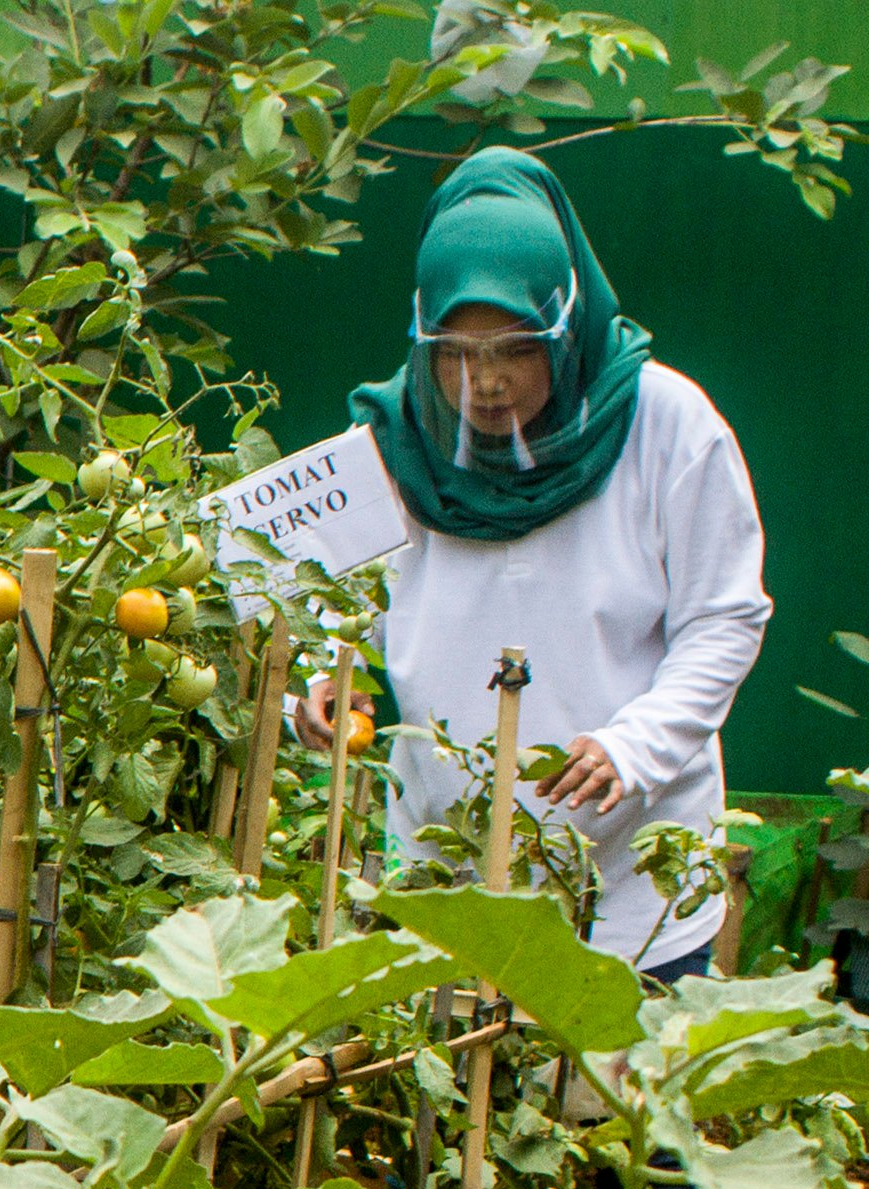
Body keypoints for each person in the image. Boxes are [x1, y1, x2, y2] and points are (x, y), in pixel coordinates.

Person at [305, 144, 768, 975]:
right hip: (445, 891)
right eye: (453, 350)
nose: (482, 382)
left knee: (615, 1101)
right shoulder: (385, 447)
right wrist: (322, 687)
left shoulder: (668, 427)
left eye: (514, 348)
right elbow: (317, 616)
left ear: (565, 322)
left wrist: (637, 746)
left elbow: (725, 619)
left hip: (632, 890)